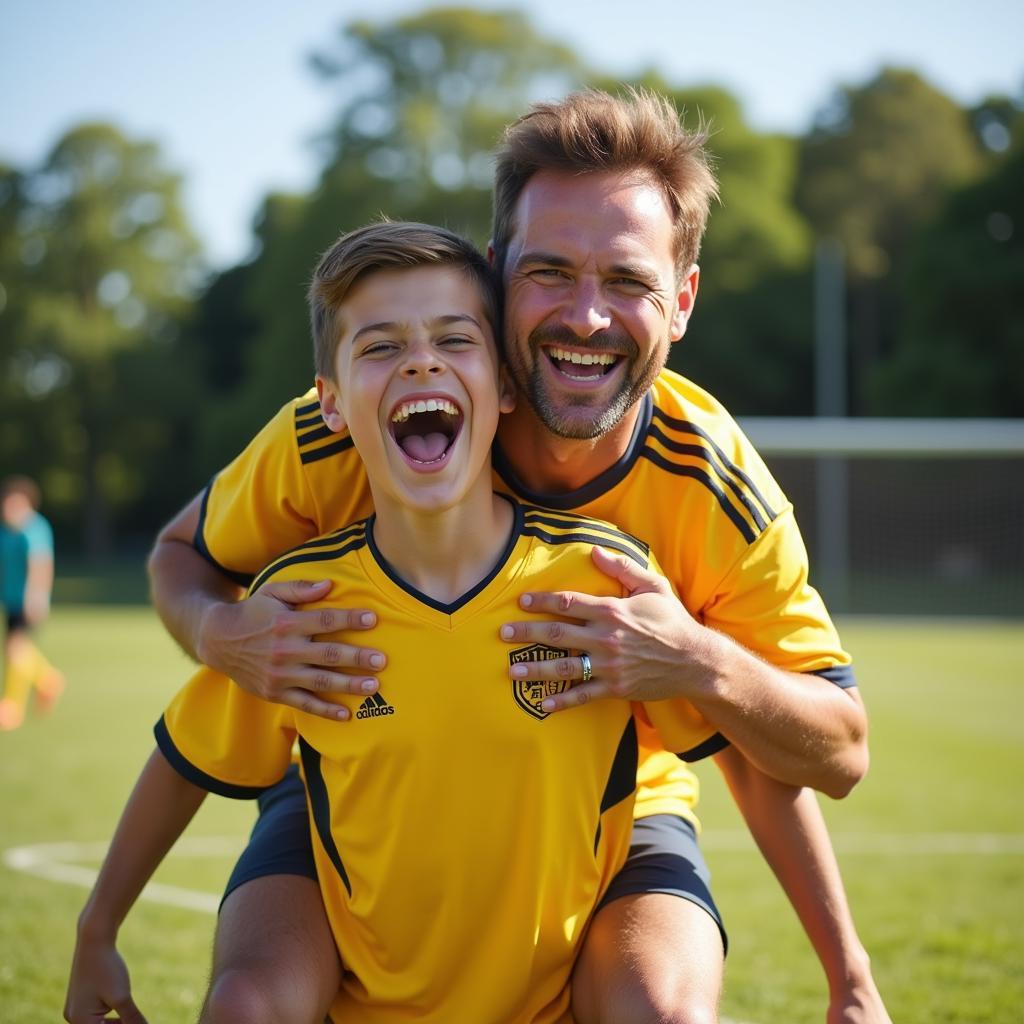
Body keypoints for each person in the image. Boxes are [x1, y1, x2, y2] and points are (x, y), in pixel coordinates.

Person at [148, 90, 891, 1022]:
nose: (586, 316)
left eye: (627, 281)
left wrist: (696, 658)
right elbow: (180, 556)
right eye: (550, 273)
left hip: (614, 808)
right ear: (499, 272)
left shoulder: (708, 481)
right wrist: (224, 636)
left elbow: (827, 746)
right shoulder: (357, 422)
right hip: (361, 788)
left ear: (684, 299)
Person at [65, 221, 725, 1023]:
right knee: (240, 1006)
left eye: (455, 338)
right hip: (369, 993)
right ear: (331, 405)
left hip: (557, 992)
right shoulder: (304, 605)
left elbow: (734, 735)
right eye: (380, 348)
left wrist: (845, 968)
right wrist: (97, 927)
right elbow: (184, 755)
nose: (421, 360)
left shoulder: (605, 579)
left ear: (507, 386)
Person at [0, 475, 64, 731]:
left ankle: (13, 705)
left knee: (16, 648)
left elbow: (40, 565)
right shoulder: (6, 530)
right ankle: (47, 680)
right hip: (11, 599)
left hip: (28, 600)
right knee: (14, 650)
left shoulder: (35, 529)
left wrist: (37, 597)